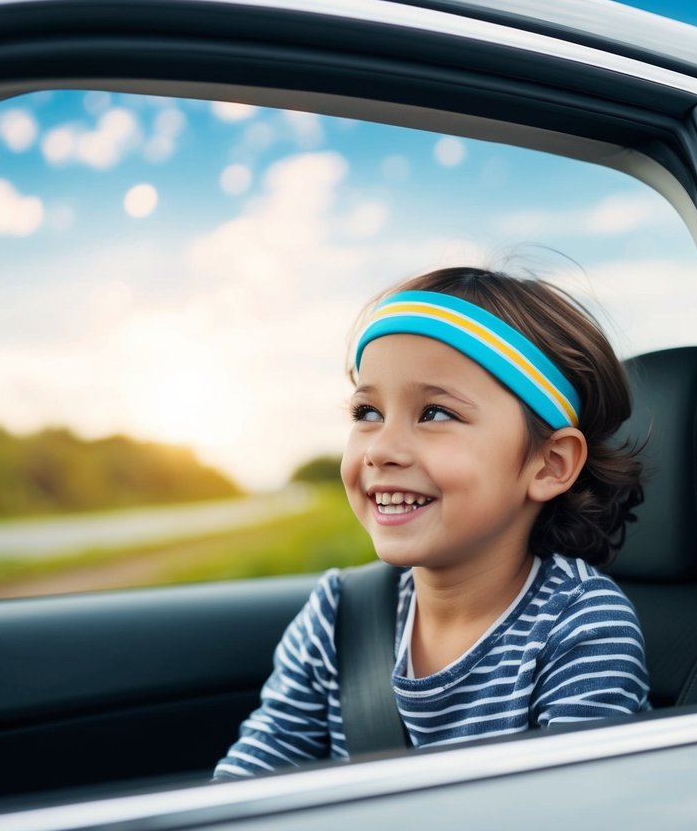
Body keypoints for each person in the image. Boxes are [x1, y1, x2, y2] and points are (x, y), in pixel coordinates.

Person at [214, 266, 648, 778]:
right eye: (367, 412)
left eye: (436, 414)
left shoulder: (581, 628)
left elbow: (582, 808)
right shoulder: (339, 614)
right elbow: (246, 785)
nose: (382, 448)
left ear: (549, 464)